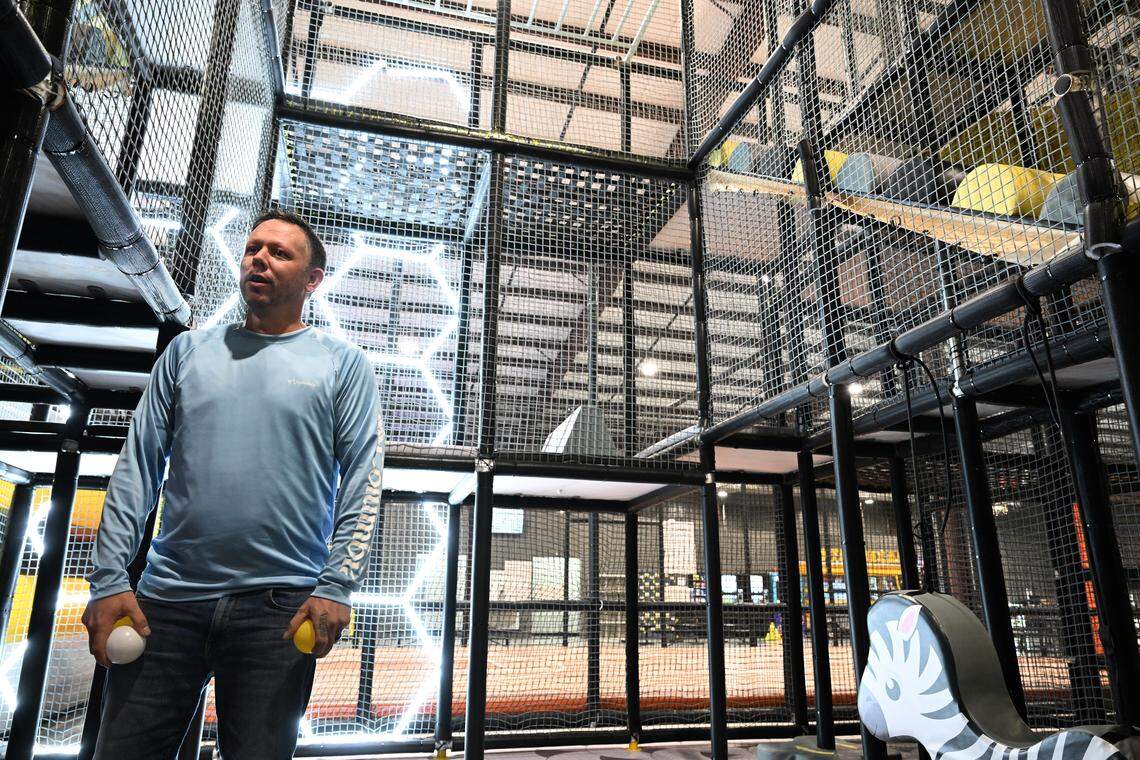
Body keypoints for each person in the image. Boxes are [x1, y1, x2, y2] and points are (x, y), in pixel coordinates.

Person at [82, 210, 384, 758]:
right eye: (253, 248)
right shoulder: (188, 351)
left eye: (279, 252)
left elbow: (364, 478)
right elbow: (138, 465)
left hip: (280, 609)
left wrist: (337, 583)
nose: (259, 259)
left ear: (312, 279)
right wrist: (107, 581)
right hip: (166, 603)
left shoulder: (343, 364)